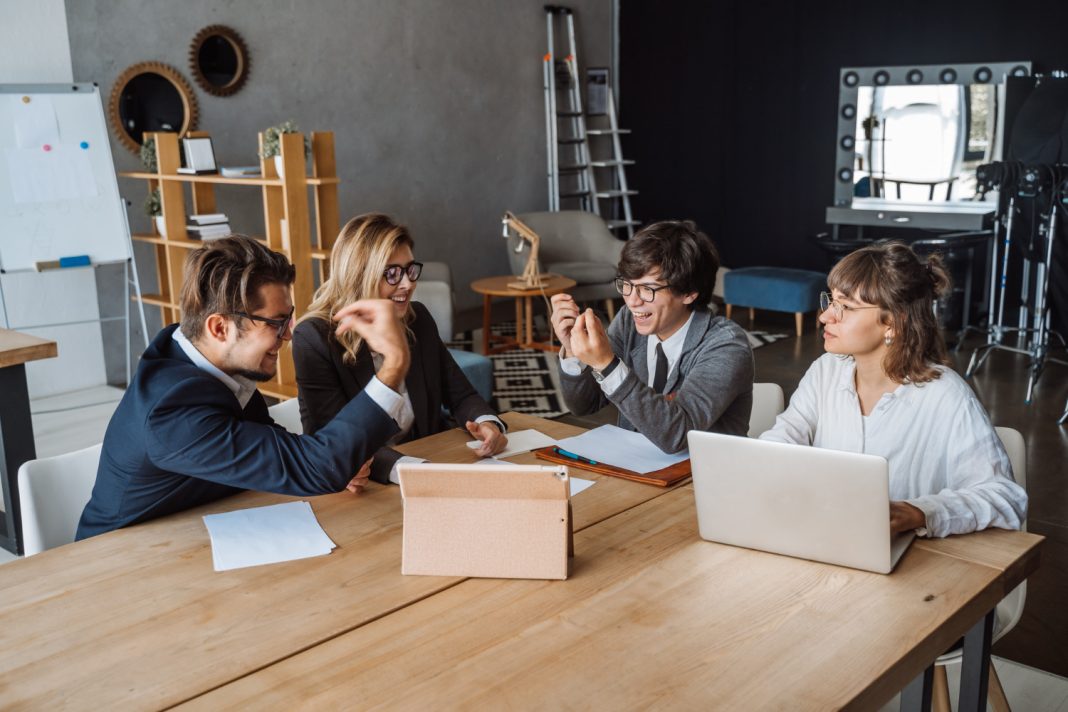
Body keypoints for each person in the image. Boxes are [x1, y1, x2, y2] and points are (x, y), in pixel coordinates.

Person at [77, 235, 411, 540]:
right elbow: (315, 468)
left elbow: (280, 450)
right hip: (119, 561)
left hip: (189, 533)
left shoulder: (205, 357)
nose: (289, 335)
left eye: (289, 319)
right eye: (276, 323)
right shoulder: (172, 411)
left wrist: (333, 461)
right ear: (220, 327)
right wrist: (393, 363)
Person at [760, 241, 1027, 538]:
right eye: (830, 301)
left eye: (845, 307)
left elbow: (1005, 497)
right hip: (827, 539)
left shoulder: (946, 395)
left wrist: (920, 512)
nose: (825, 317)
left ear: (894, 323)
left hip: (912, 566)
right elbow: (782, 439)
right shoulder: (826, 370)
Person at [293, 213, 506, 485]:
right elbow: (331, 439)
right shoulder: (314, 338)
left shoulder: (418, 319)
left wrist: (488, 423)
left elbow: (461, 394)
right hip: (369, 483)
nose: (408, 284)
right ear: (359, 276)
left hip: (431, 461)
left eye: (409, 270)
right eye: (392, 274)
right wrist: (413, 470)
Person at [550, 219, 753, 454]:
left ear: (688, 292)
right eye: (627, 284)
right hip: (635, 468)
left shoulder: (726, 345)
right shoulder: (629, 320)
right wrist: (573, 350)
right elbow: (584, 405)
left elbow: (677, 434)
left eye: (648, 289)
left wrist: (607, 364)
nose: (632, 300)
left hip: (702, 479)